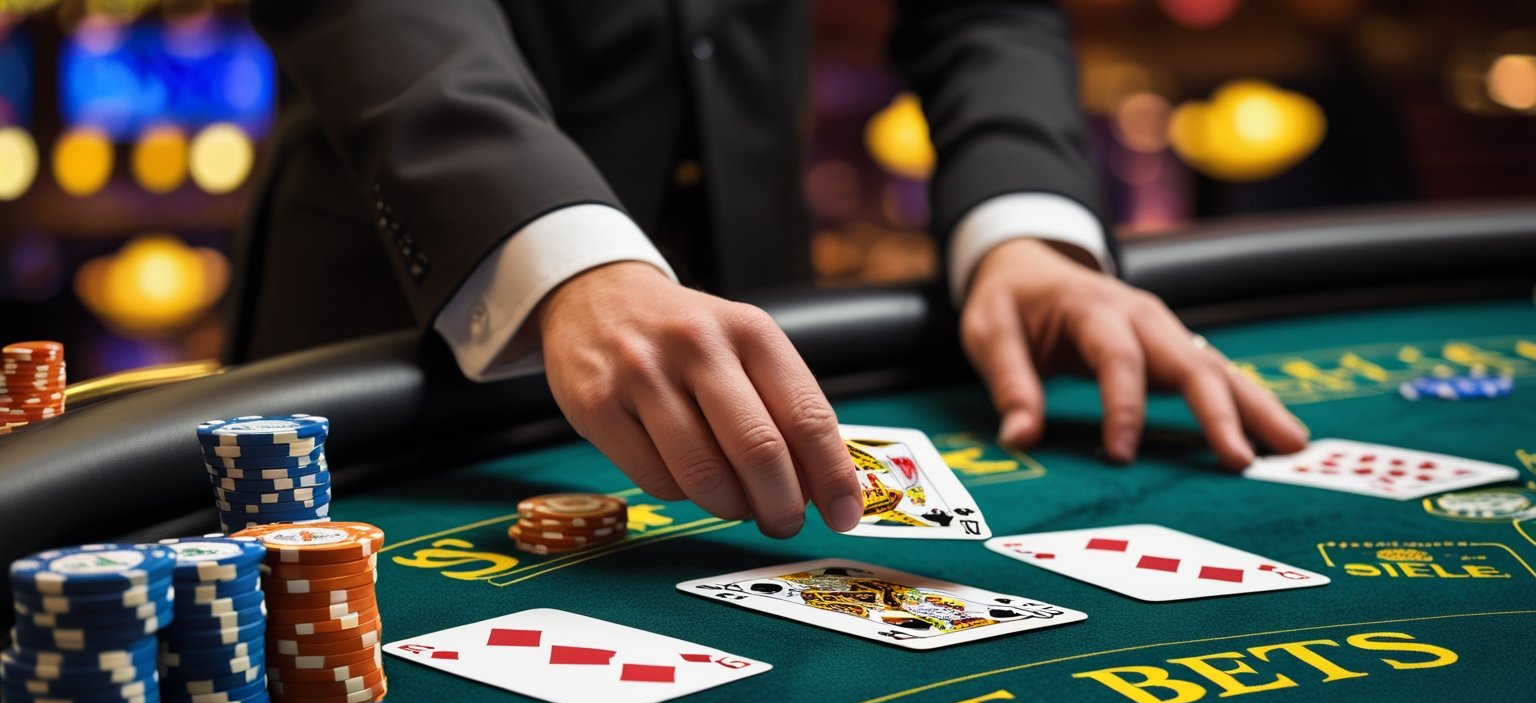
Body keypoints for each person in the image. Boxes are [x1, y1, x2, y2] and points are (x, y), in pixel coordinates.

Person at [237, 1, 1309, 539]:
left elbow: (982, 10)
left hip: (754, 300)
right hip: (407, 324)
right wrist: (564, 254)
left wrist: (1025, 230)